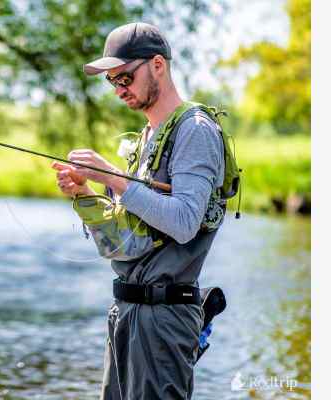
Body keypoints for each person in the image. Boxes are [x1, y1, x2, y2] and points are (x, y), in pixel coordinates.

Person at [51, 22, 228, 399]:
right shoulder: (146, 138)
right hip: (125, 312)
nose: (119, 90)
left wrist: (114, 177)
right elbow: (127, 240)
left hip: (163, 321)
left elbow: (183, 222)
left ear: (158, 65)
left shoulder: (195, 130)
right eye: (112, 82)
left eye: (126, 77)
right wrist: (85, 194)